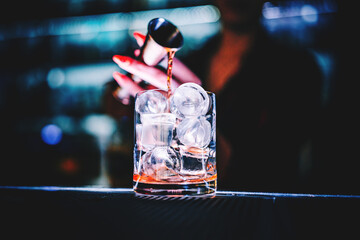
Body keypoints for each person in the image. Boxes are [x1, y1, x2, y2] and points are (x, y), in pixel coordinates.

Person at [110, 0, 322, 192]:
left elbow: (279, 160)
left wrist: (200, 129)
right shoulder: (193, 61)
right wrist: (126, 97)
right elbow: (115, 105)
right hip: (189, 214)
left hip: (262, 217)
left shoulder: (298, 68)